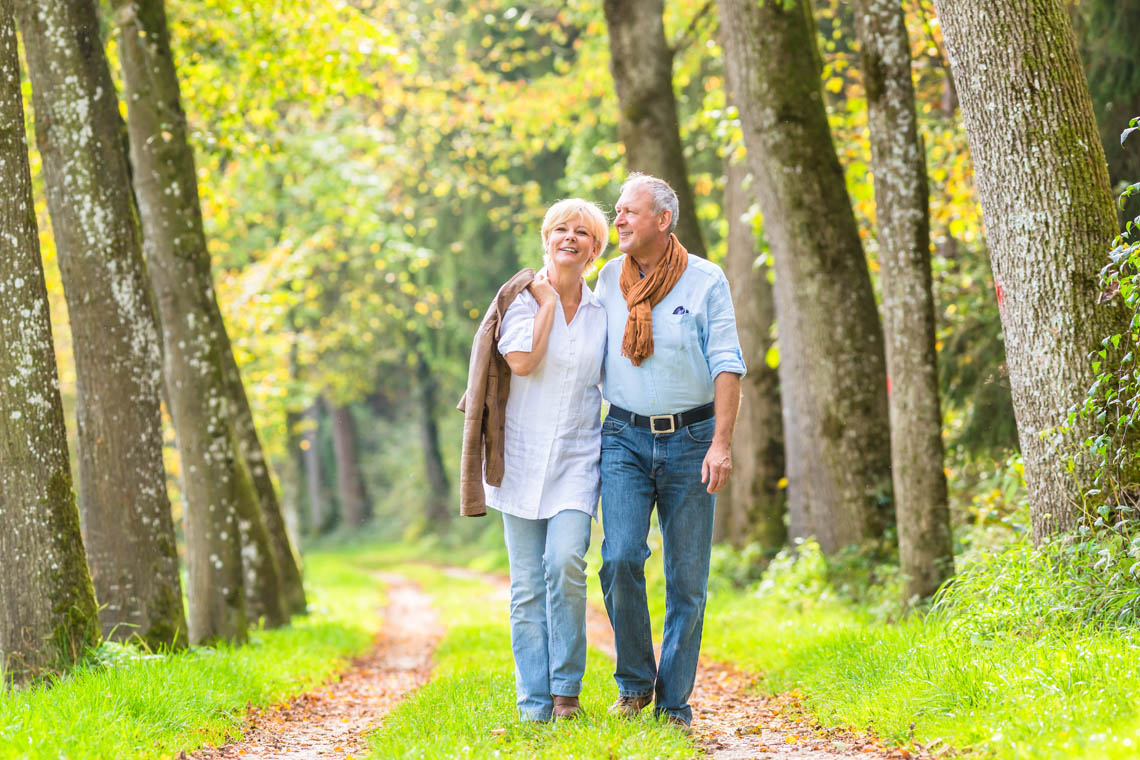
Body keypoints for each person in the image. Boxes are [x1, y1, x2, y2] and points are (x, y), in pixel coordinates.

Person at [594, 173, 746, 731]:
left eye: (630, 212)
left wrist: (721, 444)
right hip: (624, 438)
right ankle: (635, 683)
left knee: (687, 580)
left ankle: (673, 702)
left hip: (691, 441)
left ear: (663, 220)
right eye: (617, 212)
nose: (619, 222)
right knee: (619, 559)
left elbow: (727, 363)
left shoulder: (706, 281)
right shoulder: (607, 281)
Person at [482, 198, 610, 721]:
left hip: (578, 458)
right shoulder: (520, 303)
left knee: (565, 564)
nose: (570, 238)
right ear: (545, 238)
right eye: (561, 229)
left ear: (596, 248)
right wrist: (549, 306)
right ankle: (533, 705)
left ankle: (566, 692)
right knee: (528, 586)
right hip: (520, 458)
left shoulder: (605, 311)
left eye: (582, 232)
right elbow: (523, 362)